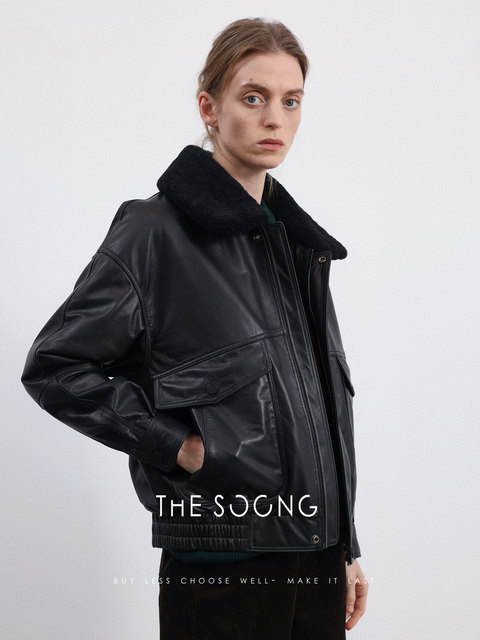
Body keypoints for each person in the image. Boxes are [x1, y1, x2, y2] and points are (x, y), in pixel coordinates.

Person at [21, 16, 368, 640]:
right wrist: (178, 445)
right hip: (222, 561)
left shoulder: (296, 245)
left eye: (291, 101)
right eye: (253, 97)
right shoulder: (154, 233)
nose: (275, 119)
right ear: (209, 108)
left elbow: (317, 407)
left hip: (316, 556)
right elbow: (56, 367)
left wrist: (345, 545)